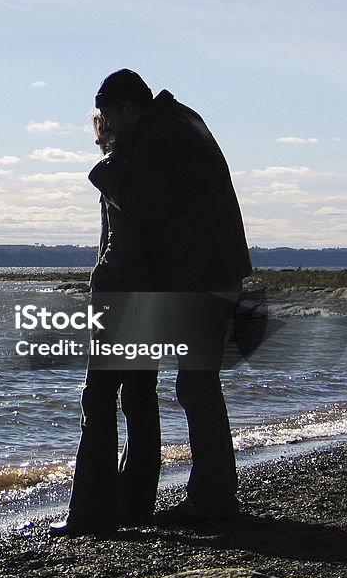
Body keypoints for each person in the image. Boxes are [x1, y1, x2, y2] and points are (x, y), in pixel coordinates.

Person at [87, 69, 252, 525]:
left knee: (196, 386)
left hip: (202, 275)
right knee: (197, 386)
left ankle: (214, 499)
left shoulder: (167, 136)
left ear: (128, 107)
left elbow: (143, 205)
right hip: (208, 272)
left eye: (109, 115)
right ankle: (212, 493)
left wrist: (104, 173)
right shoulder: (176, 122)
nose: (107, 126)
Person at [49, 111, 161, 537]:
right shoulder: (152, 169)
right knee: (139, 398)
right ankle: (134, 505)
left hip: (123, 297)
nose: (98, 143)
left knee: (99, 399)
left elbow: (123, 241)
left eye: (100, 135)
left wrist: (100, 280)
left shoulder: (119, 174)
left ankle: (92, 512)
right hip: (152, 295)